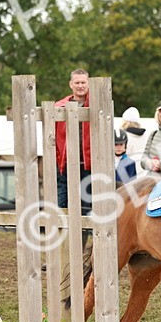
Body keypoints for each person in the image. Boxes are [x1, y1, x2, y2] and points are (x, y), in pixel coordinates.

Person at [54, 68, 92, 214]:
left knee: (87, 206)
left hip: (88, 165)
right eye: (77, 82)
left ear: (88, 84)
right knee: (62, 203)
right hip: (65, 163)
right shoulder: (60, 107)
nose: (80, 85)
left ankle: (83, 236)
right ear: (71, 84)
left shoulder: (95, 105)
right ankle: (63, 236)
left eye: (83, 82)